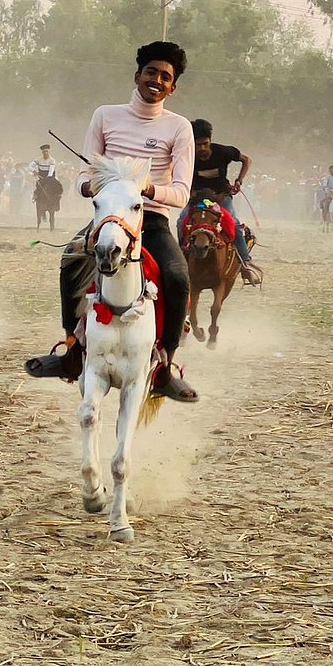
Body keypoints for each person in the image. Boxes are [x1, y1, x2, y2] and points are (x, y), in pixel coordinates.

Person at [26, 41, 197, 402]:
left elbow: (181, 193)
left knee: (179, 277)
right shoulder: (105, 115)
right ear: (137, 75)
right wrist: (87, 186)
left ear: (173, 87)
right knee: (71, 260)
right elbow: (83, 178)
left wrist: (149, 187)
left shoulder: (180, 128)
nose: (156, 80)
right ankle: (72, 350)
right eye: (151, 72)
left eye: (165, 77)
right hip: (107, 222)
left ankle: (165, 365)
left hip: (150, 222)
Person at [187, 119, 260, 284]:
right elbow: (172, 169)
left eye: (205, 144)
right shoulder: (186, 154)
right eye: (198, 145)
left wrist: (239, 181)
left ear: (210, 141)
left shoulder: (223, 152)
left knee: (233, 224)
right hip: (196, 199)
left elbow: (246, 160)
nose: (202, 149)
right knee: (181, 222)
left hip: (221, 197)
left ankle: (245, 263)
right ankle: (182, 262)